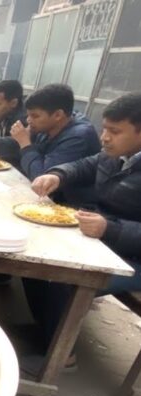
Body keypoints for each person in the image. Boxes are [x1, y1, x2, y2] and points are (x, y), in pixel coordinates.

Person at [21, 92, 141, 374]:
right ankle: (47, 330)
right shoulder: (116, 156)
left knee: (61, 275)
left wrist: (110, 228)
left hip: (132, 259)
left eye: (115, 131)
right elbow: (84, 165)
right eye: (105, 129)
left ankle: (62, 356)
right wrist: (57, 174)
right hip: (109, 244)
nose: (105, 137)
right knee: (34, 256)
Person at [0, 84, 101, 182]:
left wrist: (25, 145)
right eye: (28, 115)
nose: (29, 120)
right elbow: (21, 139)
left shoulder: (78, 137)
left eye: (35, 116)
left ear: (58, 115)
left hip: (70, 204)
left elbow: (41, 177)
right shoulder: (48, 125)